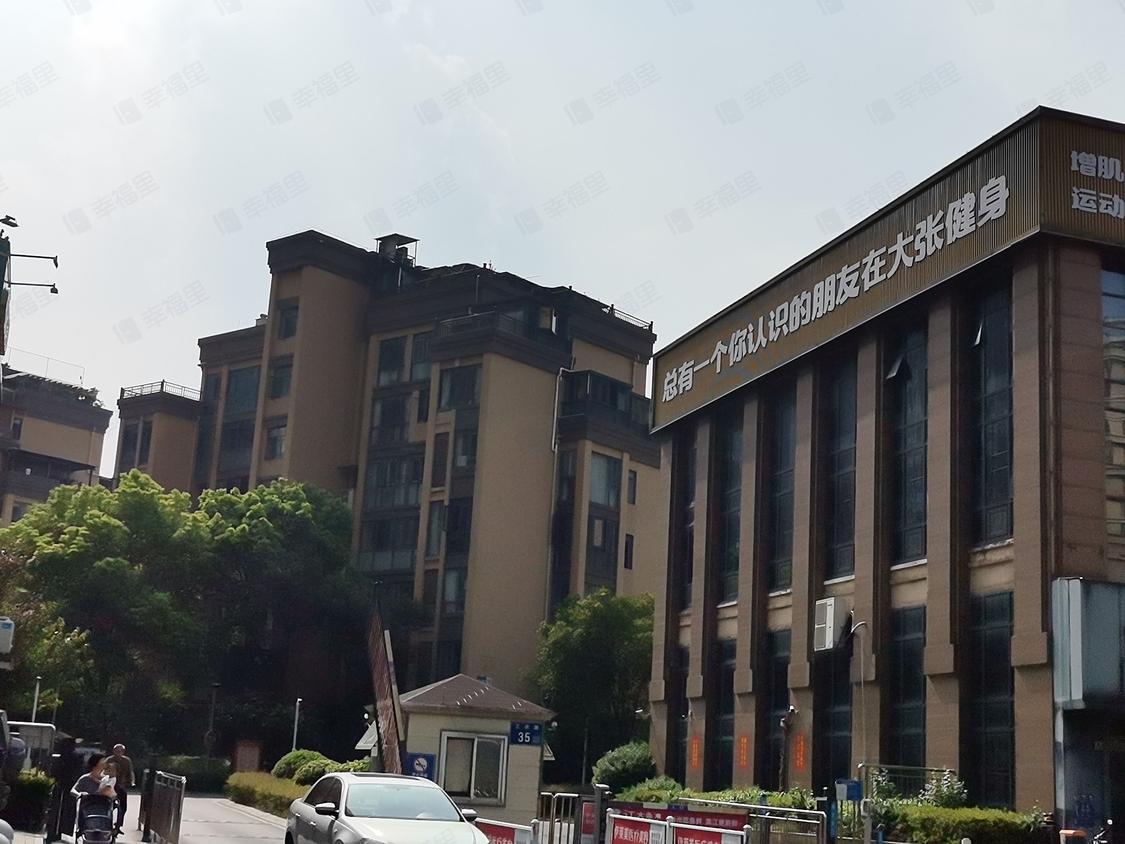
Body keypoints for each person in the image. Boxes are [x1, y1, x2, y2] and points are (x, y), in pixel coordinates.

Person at [72, 754, 115, 835]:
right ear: (96, 764)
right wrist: (80, 794)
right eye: (103, 761)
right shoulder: (85, 778)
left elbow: (113, 794)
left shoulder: (107, 779)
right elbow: (73, 790)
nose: (105, 763)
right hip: (87, 806)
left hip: (104, 806)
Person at [106, 744, 134, 835]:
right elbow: (104, 771)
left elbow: (130, 772)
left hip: (121, 785)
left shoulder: (127, 761)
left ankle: (118, 825)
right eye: (117, 751)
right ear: (113, 751)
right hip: (110, 784)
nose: (118, 753)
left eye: (121, 751)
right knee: (107, 804)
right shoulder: (109, 760)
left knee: (123, 806)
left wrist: (131, 782)